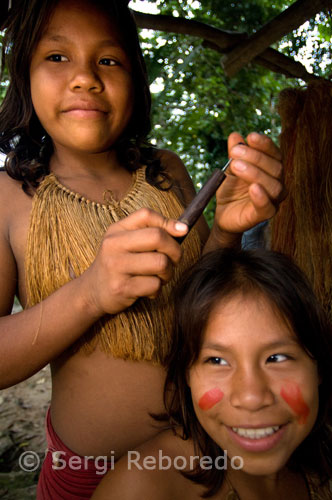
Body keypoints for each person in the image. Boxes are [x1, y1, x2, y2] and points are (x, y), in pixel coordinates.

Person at [0, 0, 283, 498]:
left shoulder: (166, 171)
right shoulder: (8, 197)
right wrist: (90, 292)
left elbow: (203, 303)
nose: (85, 78)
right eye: (58, 57)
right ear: (23, 75)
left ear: (136, 79)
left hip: (206, 457)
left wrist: (226, 232)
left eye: (108, 60)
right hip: (84, 478)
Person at [93, 249, 332, 500]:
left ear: (318, 366)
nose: (251, 397)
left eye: (277, 358)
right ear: (186, 374)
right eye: (217, 360)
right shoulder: (141, 488)